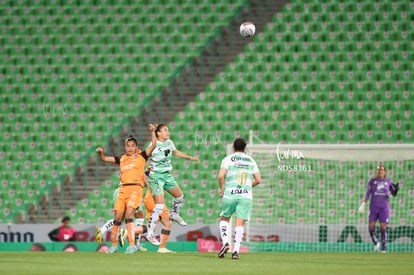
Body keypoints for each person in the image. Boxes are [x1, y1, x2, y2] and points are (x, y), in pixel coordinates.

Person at [96, 124, 157, 254]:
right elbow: (105, 159)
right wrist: (101, 153)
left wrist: (153, 132)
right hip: (122, 189)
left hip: (135, 189)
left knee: (129, 215)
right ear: (125, 147)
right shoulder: (121, 158)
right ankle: (113, 246)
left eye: (132, 146)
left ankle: (132, 245)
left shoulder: (142, 156)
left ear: (136, 147)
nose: (130, 148)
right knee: (117, 217)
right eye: (128, 146)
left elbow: (153, 146)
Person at [146, 124, 200, 245]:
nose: (168, 132)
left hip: (167, 175)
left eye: (168, 130)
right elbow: (145, 157)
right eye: (165, 130)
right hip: (156, 176)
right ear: (158, 133)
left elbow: (176, 152)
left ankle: (174, 214)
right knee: (159, 206)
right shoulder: (153, 145)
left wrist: (190, 157)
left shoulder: (169, 142)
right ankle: (150, 233)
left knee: (179, 196)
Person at [217, 138, 261, 260]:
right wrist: (247, 186)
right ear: (245, 147)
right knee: (239, 223)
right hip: (245, 195)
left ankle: (226, 242)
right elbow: (258, 179)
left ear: (233, 147)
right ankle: (236, 251)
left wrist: (221, 188)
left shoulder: (228, 159)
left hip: (230, 193)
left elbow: (221, 175)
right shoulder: (251, 160)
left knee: (224, 219)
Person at [358, 165, 399, 253]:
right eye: (379, 170)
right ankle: (376, 242)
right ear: (377, 172)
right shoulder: (372, 181)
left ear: (385, 172)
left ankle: (383, 249)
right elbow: (368, 193)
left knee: (383, 228)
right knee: (370, 228)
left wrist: (395, 190)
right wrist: (363, 204)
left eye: (382, 170)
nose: (380, 171)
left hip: (384, 208)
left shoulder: (388, 182)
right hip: (373, 207)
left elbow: (393, 193)